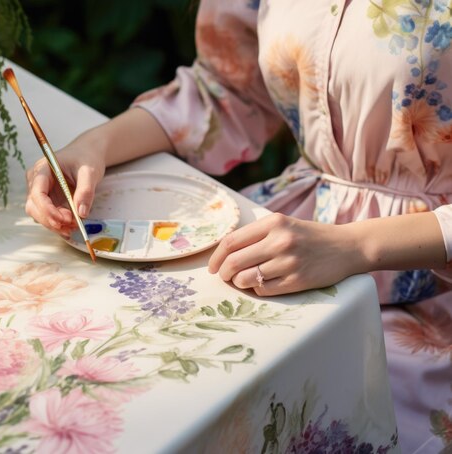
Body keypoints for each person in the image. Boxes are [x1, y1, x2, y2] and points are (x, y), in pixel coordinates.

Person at [25, 1, 452, 452]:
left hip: (429, 283)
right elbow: (230, 91)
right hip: (291, 236)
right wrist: (95, 146)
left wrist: (354, 246)